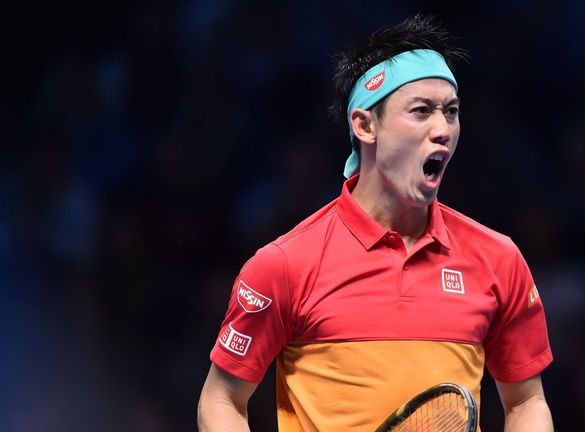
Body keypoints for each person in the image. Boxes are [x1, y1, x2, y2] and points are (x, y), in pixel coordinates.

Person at [198, 15, 554, 431]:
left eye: (452, 111)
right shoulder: (284, 265)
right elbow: (220, 400)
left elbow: (527, 402)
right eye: (421, 111)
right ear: (365, 125)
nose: (443, 129)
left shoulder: (498, 259)